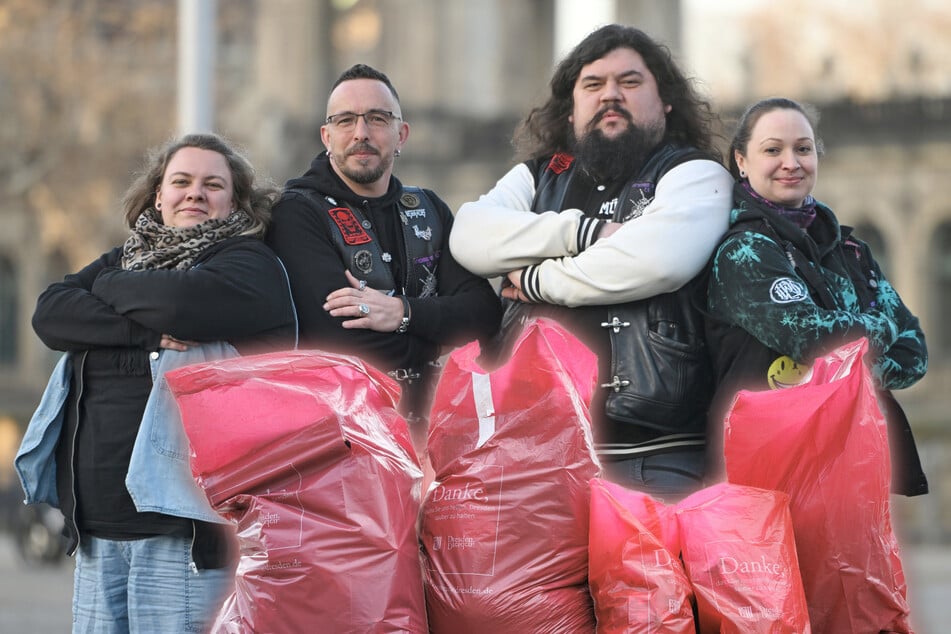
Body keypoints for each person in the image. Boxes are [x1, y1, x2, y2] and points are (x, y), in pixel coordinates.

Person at [15, 133, 298, 633]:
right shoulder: (129, 258)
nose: (195, 193)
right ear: (157, 196)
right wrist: (138, 330)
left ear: (235, 201)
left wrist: (106, 287)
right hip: (99, 534)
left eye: (213, 184)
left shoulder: (250, 266)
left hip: (187, 542)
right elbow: (51, 313)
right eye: (181, 182)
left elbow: (179, 305)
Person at [449, 24, 733, 499]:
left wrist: (536, 279)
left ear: (666, 100)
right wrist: (583, 232)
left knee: (649, 578)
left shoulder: (695, 173)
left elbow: (654, 262)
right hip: (534, 456)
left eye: (630, 82)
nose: (611, 96)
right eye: (593, 85)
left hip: (654, 457)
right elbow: (470, 235)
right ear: (571, 106)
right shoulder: (539, 176)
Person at [703, 97, 928, 494]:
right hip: (762, 476)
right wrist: (878, 329)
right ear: (741, 160)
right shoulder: (745, 252)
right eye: (773, 150)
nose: (791, 162)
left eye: (803, 149)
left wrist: (840, 373)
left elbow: (915, 351)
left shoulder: (848, 250)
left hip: (845, 472)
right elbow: (811, 337)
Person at [266, 64, 502, 441]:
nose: (361, 133)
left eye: (377, 118)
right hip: (344, 439)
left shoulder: (427, 208)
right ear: (326, 136)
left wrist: (402, 313)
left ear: (401, 134)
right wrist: (440, 337)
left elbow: (484, 315)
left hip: (439, 436)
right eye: (346, 121)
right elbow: (343, 343)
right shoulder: (297, 213)